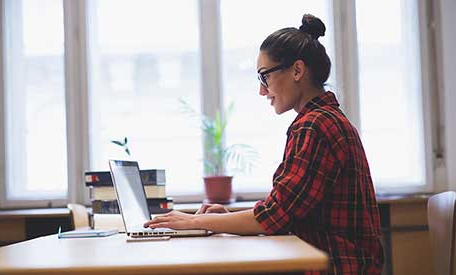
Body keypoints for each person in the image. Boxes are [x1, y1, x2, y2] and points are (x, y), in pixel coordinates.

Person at [144, 14, 384, 275]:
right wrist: (223, 220)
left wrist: (195, 221)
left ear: (297, 71)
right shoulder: (325, 119)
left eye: (264, 77)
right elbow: (285, 212)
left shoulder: (314, 125)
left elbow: (275, 216)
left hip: (335, 267)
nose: (262, 91)